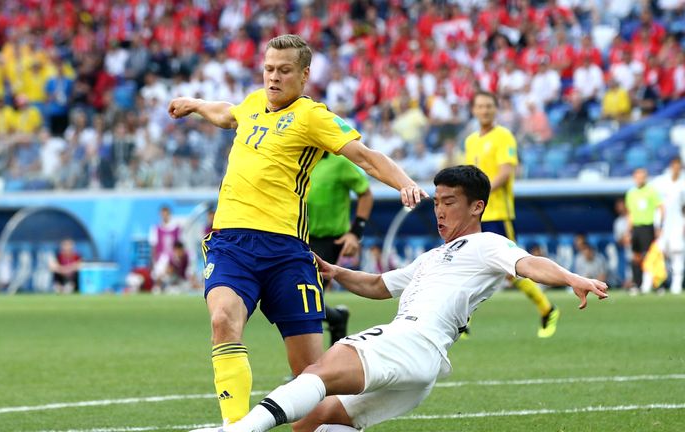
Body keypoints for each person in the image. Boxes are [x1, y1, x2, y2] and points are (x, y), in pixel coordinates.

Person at [189, 165, 609, 432]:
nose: (439, 211)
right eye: (437, 202)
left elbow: (528, 265)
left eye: (449, 203)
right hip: (419, 369)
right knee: (318, 418)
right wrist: (336, 272)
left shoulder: (488, 245)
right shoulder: (433, 257)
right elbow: (377, 285)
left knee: (322, 368)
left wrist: (573, 278)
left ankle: (237, 430)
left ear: (477, 206)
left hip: (414, 342)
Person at [168, 34, 427, 426]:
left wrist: (404, 182)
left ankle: (338, 424)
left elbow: (366, 157)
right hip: (230, 243)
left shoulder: (312, 116)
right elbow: (227, 113)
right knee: (223, 321)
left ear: (304, 75)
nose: (274, 77)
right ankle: (236, 426)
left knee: (311, 373)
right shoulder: (254, 102)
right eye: (269, 69)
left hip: (286, 252)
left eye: (284, 71)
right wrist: (195, 105)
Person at [464, 91, 560, 338]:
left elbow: (506, 171)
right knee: (470, 265)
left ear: (495, 110)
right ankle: (461, 320)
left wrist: (480, 194)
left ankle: (547, 308)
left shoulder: (504, 136)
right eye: (480, 106)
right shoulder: (470, 141)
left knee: (512, 269)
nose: (484, 110)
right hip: (476, 215)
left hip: (498, 213)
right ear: (473, 110)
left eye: (489, 106)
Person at [307, 152, 374, 346]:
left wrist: (355, 232)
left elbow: (365, 193)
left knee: (305, 298)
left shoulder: (340, 163)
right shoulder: (294, 157)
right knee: (294, 298)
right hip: (297, 236)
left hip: (328, 240)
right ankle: (336, 318)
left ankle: (308, 368)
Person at [625, 167, 663, 295]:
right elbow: (630, 213)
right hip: (636, 227)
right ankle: (637, 283)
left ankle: (655, 284)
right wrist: (628, 231)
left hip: (648, 226)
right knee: (636, 256)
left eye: (642, 177)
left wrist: (659, 226)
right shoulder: (631, 193)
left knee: (650, 256)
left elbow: (661, 208)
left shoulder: (651, 191)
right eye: (637, 177)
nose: (639, 179)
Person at [652, 157, 684, 294]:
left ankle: (676, 284)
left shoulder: (683, 183)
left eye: (679, 166)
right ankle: (658, 283)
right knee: (659, 253)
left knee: (677, 252)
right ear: (671, 166)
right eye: (674, 166)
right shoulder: (661, 182)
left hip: (677, 224)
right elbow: (658, 206)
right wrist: (657, 225)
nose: (676, 168)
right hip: (664, 225)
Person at [148, 205, 183, 293]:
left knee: (171, 272)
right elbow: (153, 246)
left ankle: (172, 285)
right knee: (159, 272)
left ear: (169, 214)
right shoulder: (156, 228)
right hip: (161, 257)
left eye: (166, 214)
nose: (164, 216)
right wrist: (153, 261)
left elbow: (180, 245)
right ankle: (159, 286)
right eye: (162, 214)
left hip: (173, 257)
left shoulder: (176, 228)